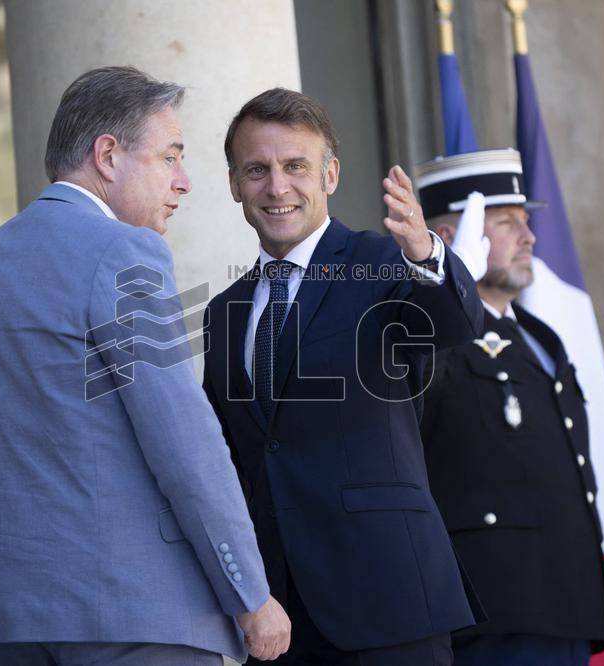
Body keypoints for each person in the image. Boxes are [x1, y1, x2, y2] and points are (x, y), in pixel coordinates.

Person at [0, 66, 290, 665]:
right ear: (107, 155)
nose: (185, 182)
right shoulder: (124, 251)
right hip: (132, 621)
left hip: (1, 623)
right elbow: (185, 446)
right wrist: (249, 595)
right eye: (170, 157)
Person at [201, 87, 487, 665]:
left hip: (386, 597)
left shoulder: (381, 264)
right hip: (275, 614)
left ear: (331, 175)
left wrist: (425, 252)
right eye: (256, 170)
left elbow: (455, 324)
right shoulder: (224, 311)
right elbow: (230, 453)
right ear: (234, 185)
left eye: (295, 166)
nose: (277, 187)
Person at [416, 149, 604, 665]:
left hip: (566, 599)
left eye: (525, 223)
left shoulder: (538, 337)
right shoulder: (431, 336)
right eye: (506, 224)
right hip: (495, 606)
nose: (529, 238)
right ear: (449, 238)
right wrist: (445, 287)